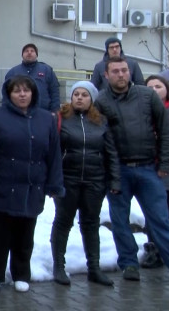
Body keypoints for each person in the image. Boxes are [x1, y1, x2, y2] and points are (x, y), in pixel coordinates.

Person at [95, 57, 169, 283]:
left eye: (124, 70)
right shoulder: (101, 101)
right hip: (118, 171)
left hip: (148, 168)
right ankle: (129, 265)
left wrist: (163, 164)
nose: (121, 74)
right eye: (116, 71)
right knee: (120, 221)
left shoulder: (147, 95)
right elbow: (100, 138)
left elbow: (166, 130)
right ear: (106, 74)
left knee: (161, 221)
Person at [0, 75, 64, 294]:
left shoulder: (46, 119)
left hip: (31, 186)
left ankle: (21, 273)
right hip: (0, 186)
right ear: (9, 94)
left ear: (33, 93)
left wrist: (54, 184)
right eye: (17, 91)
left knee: (25, 235)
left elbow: (53, 155)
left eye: (26, 90)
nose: (22, 94)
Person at [50, 81, 120, 287]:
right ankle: (59, 267)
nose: (79, 98)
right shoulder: (61, 119)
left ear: (92, 99)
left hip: (94, 180)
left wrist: (114, 179)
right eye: (76, 94)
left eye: (85, 95)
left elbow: (111, 153)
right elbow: (52, 152)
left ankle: (94, 269)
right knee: (63, 222)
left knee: (90, 224)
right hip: (67, 180)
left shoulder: (101, 122)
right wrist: (53, 181)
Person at [138, 75, 169, 269]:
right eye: (150, 87)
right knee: (154, 213)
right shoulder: (142, 110)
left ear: (167, 89)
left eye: (158, 86)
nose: (154, 90)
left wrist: (165, 136)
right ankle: (154, 251)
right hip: (151, 167)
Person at [4, 43, 61, 112]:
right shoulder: (13, 72)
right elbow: (6, 94)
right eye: (26, 51)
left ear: (36, 55)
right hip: (18, 114)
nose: (29, 53)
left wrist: (55, 111)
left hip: (43, 113)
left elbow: (54, 91)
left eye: (32, 51)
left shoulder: (47, 70)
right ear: (22, 55)